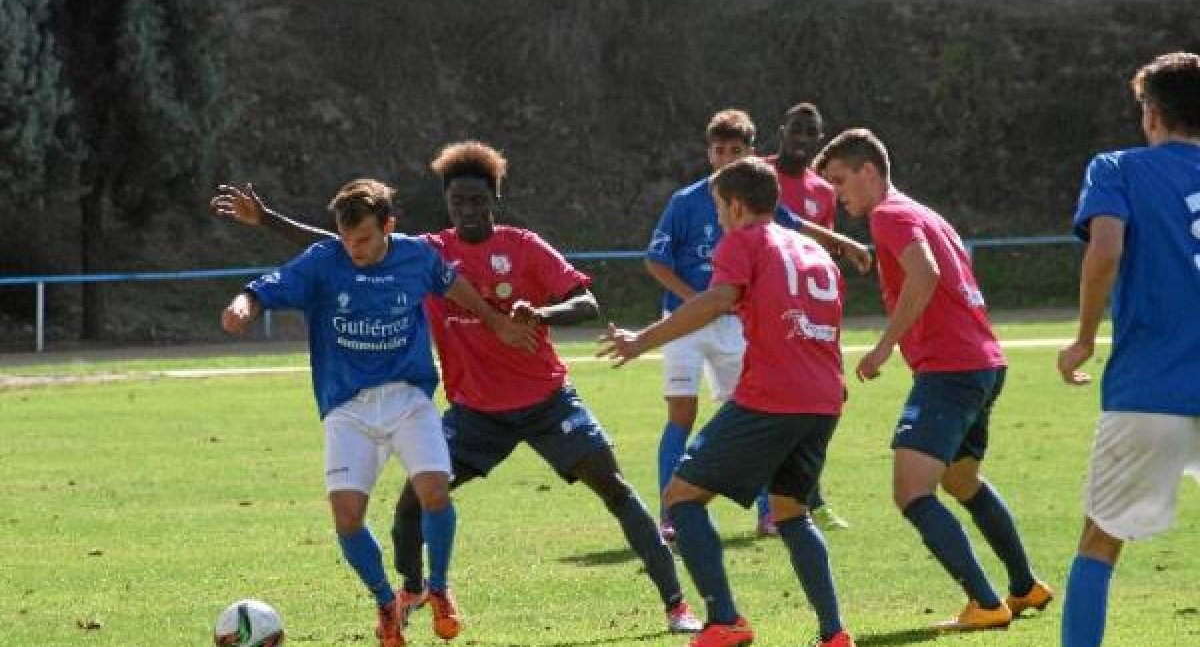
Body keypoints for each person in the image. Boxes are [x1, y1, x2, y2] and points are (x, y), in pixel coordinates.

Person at [211, 142, 705, 638]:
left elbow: (587, 302)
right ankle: (413, 591)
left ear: (494, 199)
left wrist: (540, 314)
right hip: (475, 415)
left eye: (478, 200)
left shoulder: (523, 246)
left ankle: (677, 604)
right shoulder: (428, 251)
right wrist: (268, 220)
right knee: (411, 507)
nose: (468, 209)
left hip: (547, 402)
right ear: (446, 202)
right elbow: (347, 245)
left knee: (614, 488)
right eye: (458, 201)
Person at [219, 179, 536, 647]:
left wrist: (495, 322)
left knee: (434, 490)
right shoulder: (324, 261)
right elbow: (264, 288)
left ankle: (439, 590)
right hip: (348, 409)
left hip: (408, 399)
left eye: (364, 238)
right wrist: (241, 307)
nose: (354, 249)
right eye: (346, 238)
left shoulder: (417, 257)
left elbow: (455, 286)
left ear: (389, 227)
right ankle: (387, 603)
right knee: (347, 517)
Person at [602, 156, 856, 647]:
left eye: (720, 207)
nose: (718, 218)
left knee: (681, 497)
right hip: (824, 398)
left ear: (737, 206)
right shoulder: (812, 249)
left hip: (772, 396)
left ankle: (724, 620)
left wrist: (641, 340)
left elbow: (717, 299)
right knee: (791, 511)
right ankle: (833, 633)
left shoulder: (743, 241)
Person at [814, 129, 1052, 631]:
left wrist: (884, 346)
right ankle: (1024, 586)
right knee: (961, 480)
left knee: (912, 491)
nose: (837, 194)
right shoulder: (923, 213)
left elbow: (924, 275)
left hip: (951, 369)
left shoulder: (888, 215)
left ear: (868, 171)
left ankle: (985, 603)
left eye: (839, 180)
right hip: (983, 362)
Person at [646, 109, 868, 540]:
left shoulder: (753, 200)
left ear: (751, 153)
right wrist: (696, 303)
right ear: (709, 153)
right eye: (719, 150)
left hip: (734, 323)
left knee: (758, 412)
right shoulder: (685, 201)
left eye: (736, 150)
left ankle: (770, 513)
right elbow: (657, 260)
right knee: (682, 413)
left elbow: (796, 226)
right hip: (686, 322)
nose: (726, 158)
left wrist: (843, 241)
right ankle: (670, 516)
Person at [1057, 51, 1200, 647]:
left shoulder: (1117, 168)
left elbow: (1106, 250)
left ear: (1152, 114)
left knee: (1100, 541)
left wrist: (1085, 337)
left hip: (1150, 387)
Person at [765, 101, 849, 530]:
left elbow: (823, 254)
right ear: (782, 130)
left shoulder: (824, 191)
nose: (801, 138)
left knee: (819, 400)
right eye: (796, 129)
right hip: (764, 306)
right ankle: (780, 506)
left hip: (807, 312)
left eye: (810, 132)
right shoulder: (758, 175)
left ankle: (807, 498)